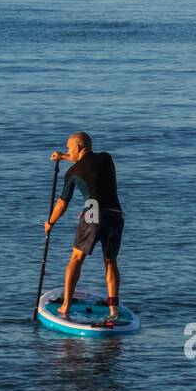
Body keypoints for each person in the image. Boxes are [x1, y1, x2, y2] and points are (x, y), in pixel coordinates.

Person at [44, 132, 124, 321]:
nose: (68, 152)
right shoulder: (106, 158)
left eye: (69, 149)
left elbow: (62, 204)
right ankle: (114, 310)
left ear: (77, 148)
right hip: (116, 213)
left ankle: (66, 306)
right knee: (111, 261)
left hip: (93, 211)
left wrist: (50, 223)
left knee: (76, 258)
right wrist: (63, 157)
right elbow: (85, 163)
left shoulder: (72, 173)